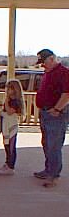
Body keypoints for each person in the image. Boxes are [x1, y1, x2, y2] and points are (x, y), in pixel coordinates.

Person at [34, 48, 69, 187]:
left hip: (56, 114)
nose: (42, 65)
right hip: (45, 112)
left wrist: (57, 109)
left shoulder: (63, 73)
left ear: (52, 58)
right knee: (46, 143)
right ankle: (48, 169)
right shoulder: (48, 73)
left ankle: (53, 175)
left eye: (44, 62)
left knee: (54, 145)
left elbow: (66, 94)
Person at [0, 80, 25, 176]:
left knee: (11, 147)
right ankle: (7, 163)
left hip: (11, 126)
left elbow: (9, 112)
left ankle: (11, 166)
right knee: (6, 145)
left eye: (10, 88)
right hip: (6, 126)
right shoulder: (10, 99)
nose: (7, 90)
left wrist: (6, 101)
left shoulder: (15, 101)